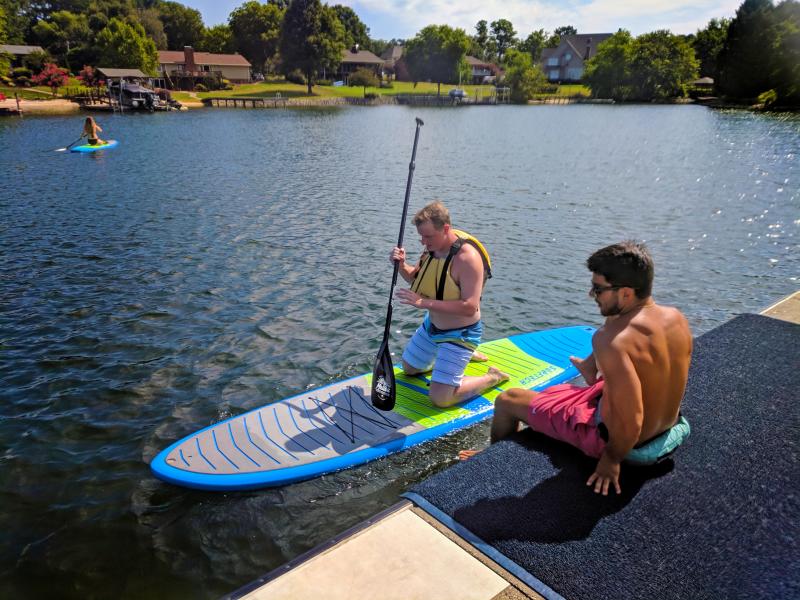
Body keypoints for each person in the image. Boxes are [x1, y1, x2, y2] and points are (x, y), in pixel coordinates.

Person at [460, 241, 693, 496]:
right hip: (669, 430)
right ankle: (585, 373)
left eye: (598, 289)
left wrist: (612, 459)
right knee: (559, 393)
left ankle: (491, 462)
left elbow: (632, 418)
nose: (591, 295)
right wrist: (594, 363)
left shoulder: (612, 342)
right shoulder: (675, 319)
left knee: (508, 399)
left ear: (626, 293)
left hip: (626, 447)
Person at [391, 200, 509, 408]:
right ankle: (457, 358)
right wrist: (401, 266)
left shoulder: (467, 259)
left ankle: (492, 377)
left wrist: (424, 302)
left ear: (445, 228)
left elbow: (470, 306)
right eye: (421, 236)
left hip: (460, 333)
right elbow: (417, 279)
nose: (423, 242)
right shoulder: (431, 250)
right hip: (432, 327)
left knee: (441, 398)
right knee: (409, 369)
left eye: (428, 236)